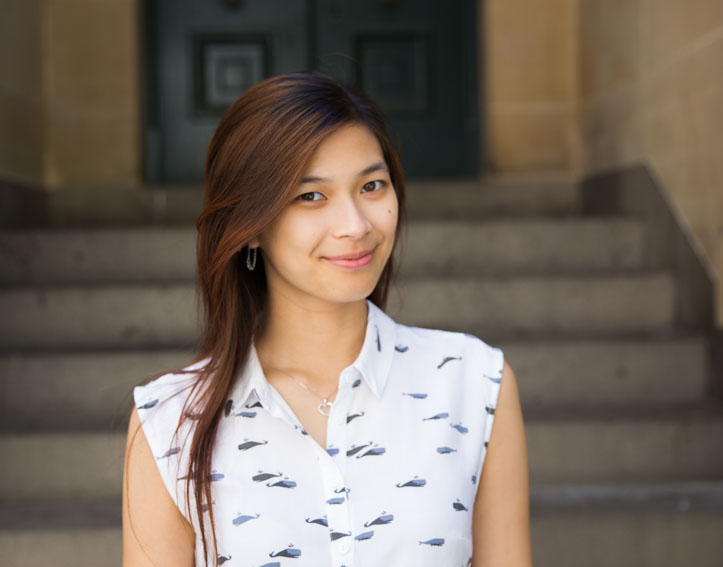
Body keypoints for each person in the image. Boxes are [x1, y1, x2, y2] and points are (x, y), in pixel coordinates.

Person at [122, 71, 532, 567]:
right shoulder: (170, 421)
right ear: (249, 226)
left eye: (372, 186)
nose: (356, 225)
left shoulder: (473, 382)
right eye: (310, 196)